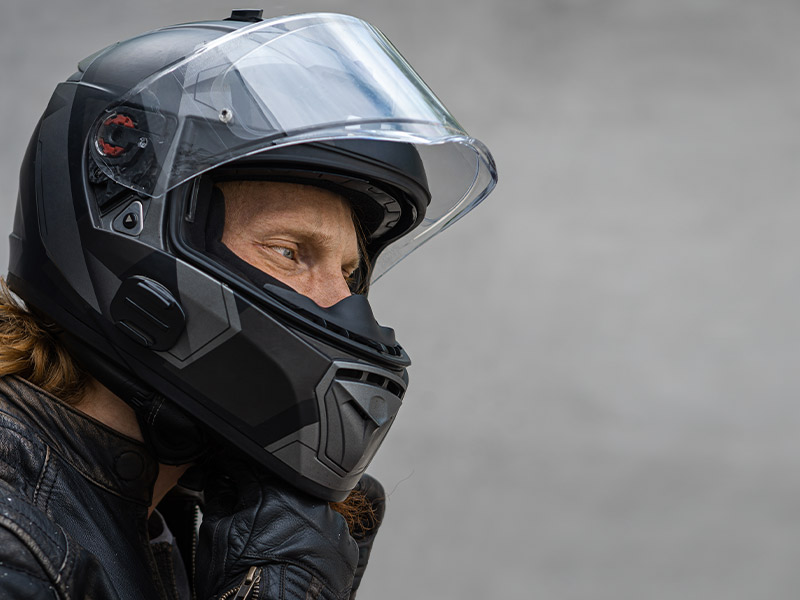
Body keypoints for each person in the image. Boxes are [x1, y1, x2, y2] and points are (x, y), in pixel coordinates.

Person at [0, 9, 497, 600]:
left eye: (349, 273)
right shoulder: (14, 529)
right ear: (129, 231)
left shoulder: (185, 512)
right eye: (289, 252)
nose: (347, 310)